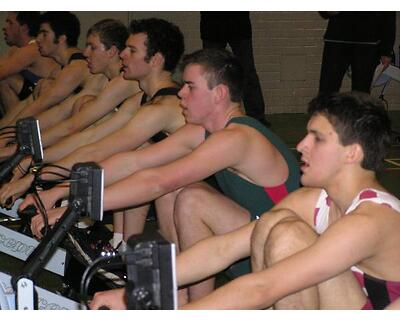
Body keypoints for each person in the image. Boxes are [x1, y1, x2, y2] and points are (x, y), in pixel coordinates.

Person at [90, 91, 400, 310]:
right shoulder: (312, 201)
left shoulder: (372, 219)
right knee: (274, 223)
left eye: (317, 138)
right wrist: (133, 290)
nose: (302, 145)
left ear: (352, 153)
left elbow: (263, 288)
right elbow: (221, 249)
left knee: (288, 235)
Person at [44, 48, 298, 303]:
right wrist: (62, 190)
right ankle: (178, 298)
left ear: (219, 94)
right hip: (251, 240)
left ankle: (196, 308)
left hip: (280, 255)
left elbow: (156, 182)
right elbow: (135, 162)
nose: (180, 93)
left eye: (190, 86)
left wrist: (76, 208)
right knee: (175, 192)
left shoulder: (237, 138)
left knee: (192, 198)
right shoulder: (206, 132)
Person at [14, 17, 186, 248]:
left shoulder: (162, 107)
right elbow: (91, 137)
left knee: (138, 157)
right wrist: (31, 164)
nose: (123, 54)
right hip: (159, 190)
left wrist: (42, 178)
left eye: (131, 50)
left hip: (179, 200)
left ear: (155, 60)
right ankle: (120, 244)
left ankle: (127, 248)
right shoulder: (142, 99)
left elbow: (103, 149)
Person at [0, 11, 107, 129]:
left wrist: (8, 134)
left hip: (92, 127)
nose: (38, 39)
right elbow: (27, 103)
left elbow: (41, 106)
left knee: (47, 90)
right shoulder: (59, 70)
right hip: (73, 125)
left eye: (44, 34)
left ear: (61, 39)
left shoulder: (76, 67)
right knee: (43, 85)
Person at [200, 12, 269, 126]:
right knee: (211, 73)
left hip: (238, 25)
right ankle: (211, 114)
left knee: (247, 72)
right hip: (212, 25)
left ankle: (257, 117)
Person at [319, 12, 396, 94]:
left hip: (367, 43)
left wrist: (387, 50)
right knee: (327, 91)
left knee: (361, 93)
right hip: (338, 40)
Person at [0, 12, 59, 114]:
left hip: (49, 105)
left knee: (5, 79)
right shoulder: (16, 50)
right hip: (34, 98)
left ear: (24, 28)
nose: (4, 28)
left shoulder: (32, 49)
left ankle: (13, 127)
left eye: (10, 23)